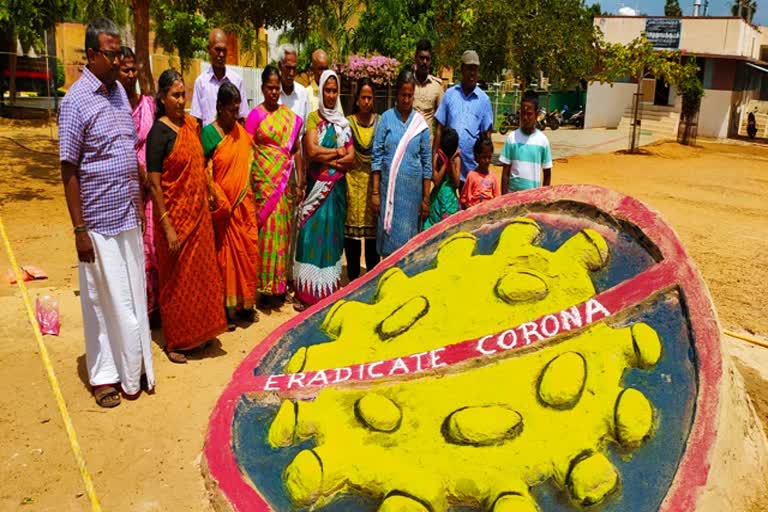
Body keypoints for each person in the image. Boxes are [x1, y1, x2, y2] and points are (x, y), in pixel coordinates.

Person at [59, 18, 154, 408]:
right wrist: (79, 228)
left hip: (127, 215)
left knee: (131, 297)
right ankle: (104, 377)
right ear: (93, 54)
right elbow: (69, 167)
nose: (118, 61)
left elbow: (126, 152)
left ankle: (134, 366)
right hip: (96, 223)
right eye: (112, 54)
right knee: (101, 301)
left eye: (119, 54)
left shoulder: (118, 93)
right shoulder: (75, 101)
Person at [146, 69, 227, 363]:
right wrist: (167, 225)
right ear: (163, 98)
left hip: (199, 217)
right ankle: (177, 342)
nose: (181, 101)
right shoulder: (159, 133)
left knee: (202, 277)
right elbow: (154, 184)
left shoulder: (191, 126)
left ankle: (201, 333)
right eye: (175, 95)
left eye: (183, 94)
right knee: (177, 281)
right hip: (175, 219)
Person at [293, 70, 354, 310]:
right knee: (309, 237)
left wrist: (329, 157)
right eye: (326, 90)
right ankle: (306, 293)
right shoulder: (312, 119)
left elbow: (351, 159)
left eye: (334, 90)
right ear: (320, 90)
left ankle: (327, 292)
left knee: (331, 237)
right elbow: (311, 151)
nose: (330, 95)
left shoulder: (343, 123)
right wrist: (337, 155)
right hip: (316, 188)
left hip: (335, 191)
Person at [201, 83, 259, 328]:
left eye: (238, 110)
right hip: (222, 210)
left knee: (248, 252)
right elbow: (201, 170)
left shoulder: (241, 134)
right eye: (231, 111)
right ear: (219, 108)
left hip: (243, 207)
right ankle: (225, 310)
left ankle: (245, 305)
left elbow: (250, 161)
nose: (236, 116)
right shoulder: (209, 135)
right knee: (224, 259)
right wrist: (216, 197)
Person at [245, 66, 304, 310]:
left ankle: (278, 287)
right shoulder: (254, 115)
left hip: (283, 185)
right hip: (262, 185)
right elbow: (246, 151)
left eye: (276, 88)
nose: (273, 92)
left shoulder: (288, 117)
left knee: (281, 235)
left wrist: (300, 181)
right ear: (262, 89)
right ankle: (261, 288)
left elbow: (296, 149)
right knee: (263, 235)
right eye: (269, 88)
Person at [118, 46, 160, 325]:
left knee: (151, 244)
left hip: (150, 184)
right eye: (125, 69)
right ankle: (133, 308)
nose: (131, 74)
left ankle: (153, 307)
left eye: (134, 69)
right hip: (123, 185)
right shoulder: (114, 106)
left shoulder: (148, 105)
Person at [372, 69, 432, 258]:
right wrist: (375, 193)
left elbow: (427, 163)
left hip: (412, 197)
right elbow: (377, 157)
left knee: (408, 246)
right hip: (388, 194)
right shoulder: (386, 120)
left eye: (410, 95)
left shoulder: (420, 125)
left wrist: (425, 198)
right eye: (403, 95)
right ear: (397, 94)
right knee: (388, 244)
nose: (406, 99)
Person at [434, 50, 493, 187]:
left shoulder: (484, 100)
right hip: (449, 168)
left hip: (472, 171)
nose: (472, 73)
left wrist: (484, 169)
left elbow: (486, 137)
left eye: (475, 69)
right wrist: (434, 160)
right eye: (469, 69)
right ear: (462, 69)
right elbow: (439, 129)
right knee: (448, 206)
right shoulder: (449, 95)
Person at [345, 77, 381, 281]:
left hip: (373, 187)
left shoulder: (381, 122)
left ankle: (371, 280)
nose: (366, 102)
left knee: (371, 239)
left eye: (369, 97)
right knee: (351, 238)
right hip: (352, 185)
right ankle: (352, 280)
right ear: (357, 99)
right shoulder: (347, 123)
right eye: (363, 97)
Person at [190, 29, 249, 128]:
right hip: (209, 141)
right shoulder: (201, 82)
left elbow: (242, 117)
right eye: (217, 50)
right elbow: (197, 120)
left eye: (224, 50)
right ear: (209, 50)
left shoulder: (237, 80)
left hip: (232, 140)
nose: (221, 55)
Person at [500, 91, 553, 193]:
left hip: (532, 199)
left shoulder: (542, 141)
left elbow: (547, 173)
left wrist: (542, 197)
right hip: (512, 198)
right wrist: (503, 199)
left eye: (529, 114)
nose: (525, 118)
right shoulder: (511, 138)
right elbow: (505, 173)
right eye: (523, 114)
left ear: (536, 114)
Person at [423, 127, 461, 229]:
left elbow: (457, 183)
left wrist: (451, 163)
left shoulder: (456, 160)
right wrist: (445, 163)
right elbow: (437, 182)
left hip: (450, 201)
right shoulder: (437, 158)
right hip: (437, 201)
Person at [412, 39, 444, 135]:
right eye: (421, 58)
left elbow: (441, 121)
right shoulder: (408, 83)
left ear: (430, 60)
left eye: (427, 59)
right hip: (407, 142)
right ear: (415, 58)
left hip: (427, 145)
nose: (424, 62)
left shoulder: (437, 87)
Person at [460, 136, 500, 208]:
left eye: (489, 157)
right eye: (484, 157)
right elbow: (464, 199)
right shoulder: (471, 176)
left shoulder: (493, 177)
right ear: (476, 157)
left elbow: (498, 199)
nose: (487, 160)